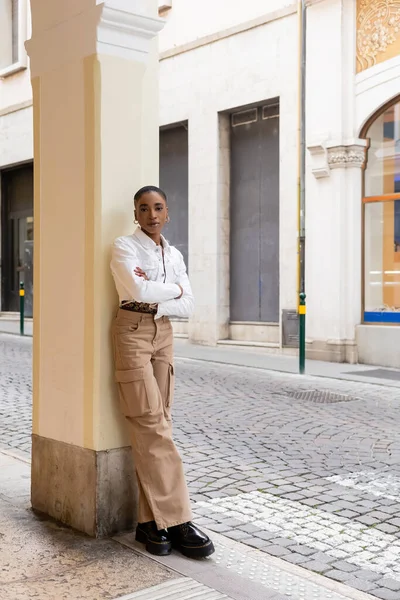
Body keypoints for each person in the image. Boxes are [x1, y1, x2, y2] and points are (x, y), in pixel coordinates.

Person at [110, 185, 215, 559]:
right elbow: (137, 287)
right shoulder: (124, 247)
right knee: (150, 422)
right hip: (133, 331)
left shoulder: (174, 253)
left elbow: (188, 305)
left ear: (167, 213)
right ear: (135, 213)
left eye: (158, 208)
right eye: (144, 208)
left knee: (160, 422)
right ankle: (177, 519)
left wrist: (161, 293)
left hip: (163, 332)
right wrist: (171, 290)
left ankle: (148, 522)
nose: (152, 215)